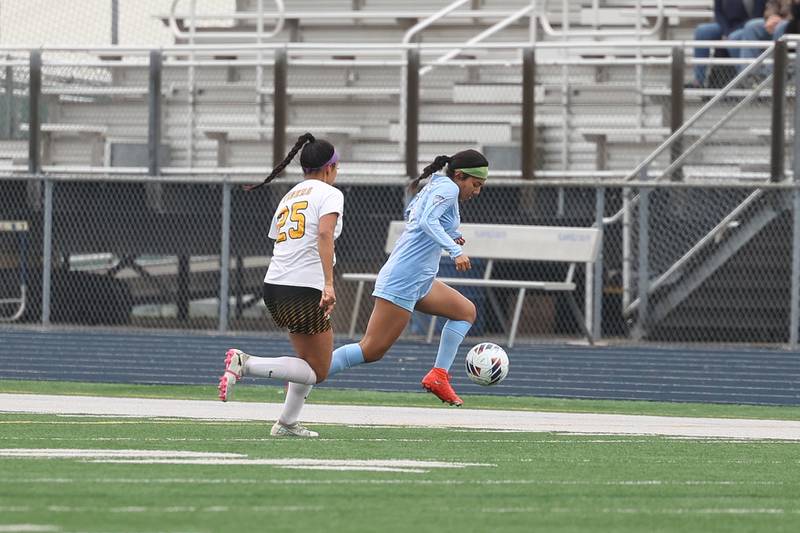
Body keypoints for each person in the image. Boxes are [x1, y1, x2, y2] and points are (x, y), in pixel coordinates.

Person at [323, 149, 489, 406]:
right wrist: (455, 250)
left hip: (419, 280)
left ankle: (439, 375)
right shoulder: (449, 189)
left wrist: (447, 234)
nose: (476, 192)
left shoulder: (439, 184)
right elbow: (425, 221)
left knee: (466, 312)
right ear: (460, 176)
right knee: (370, 349)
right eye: (475, 185)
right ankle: (307, 374)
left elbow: (414, 215)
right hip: (404, 278)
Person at [218, 132, 343, 438]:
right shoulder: (329, 193)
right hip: (303, 288)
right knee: (320, 370)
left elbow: (280, 240)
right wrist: (328, 283)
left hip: (275, 285)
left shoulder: (290, 195)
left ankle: (286, 423)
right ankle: (245, 364)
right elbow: (324, 235)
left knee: (306, 362)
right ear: (329, 167)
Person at [690, 0, 768, 87]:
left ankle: (744, 81)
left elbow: (756, 16)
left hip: (746, 27)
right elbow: (718, 12)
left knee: (734, 37)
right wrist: (726, 32)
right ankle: (698, 81)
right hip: (726, 27)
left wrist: (730, 33)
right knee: (702, 31)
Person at [735, 0, 791, 76]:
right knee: (751, 26)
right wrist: (771, 17)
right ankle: (748, 75)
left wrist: (783, 20)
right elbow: (771, 5)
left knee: (781, 27)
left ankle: (770, 76)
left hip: (792, 22)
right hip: (778, 21)